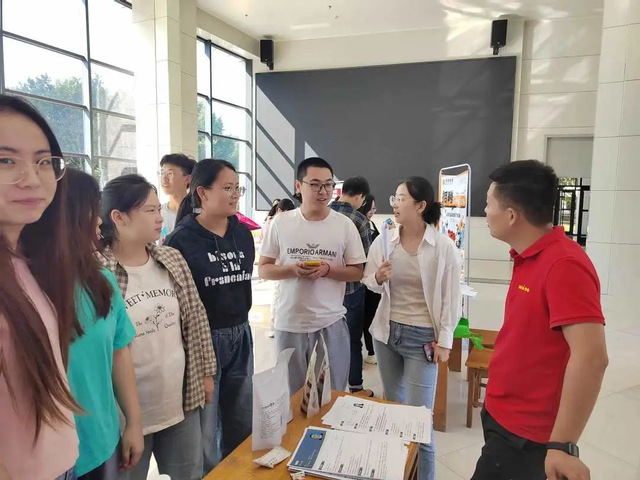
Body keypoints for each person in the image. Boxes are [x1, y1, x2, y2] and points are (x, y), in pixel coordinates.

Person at [471, 160, 608, 480]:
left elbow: (591, 357)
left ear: (511, 215)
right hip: (502, 414)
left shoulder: (564, 264)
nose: (485, 212)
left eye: (488, 204)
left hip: (526, 436)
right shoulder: (529, 255)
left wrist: (562, 445)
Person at [99, 174, 217, 480]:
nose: (159, 217)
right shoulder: (97, 271)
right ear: (118, 217)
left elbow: (196, 317)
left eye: (158, 208)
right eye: (149, 210)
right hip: (123, 415)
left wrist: (206, 373)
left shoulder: (170, 258)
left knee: (189, 474)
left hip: (178, 401)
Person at [0, 95, 79, 479]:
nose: (31, 178)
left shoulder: (29, 260)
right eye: (5, 161)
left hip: (59, 464)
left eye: (43, 161)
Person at [362, 176, 461, 480]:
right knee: (394, 413)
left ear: (420, 206)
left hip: (423, 339)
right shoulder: (385, 241)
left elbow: (451, 299)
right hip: (386, 334)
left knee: (419, 422)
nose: (395, 203)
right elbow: (368, 280)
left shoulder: (442, 247)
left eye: (401, 198)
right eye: (394, 197)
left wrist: (445, 342)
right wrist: (378, 278)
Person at [166, 159, 256, 473]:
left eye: (238, 188)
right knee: (205, 427)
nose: (235, 195)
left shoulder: (242, 234)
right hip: (204, 339)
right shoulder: (181, 240)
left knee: (241, 416)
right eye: (227, 188)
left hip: (241, 333)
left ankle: (239, 473)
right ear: (202, 193)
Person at [259, 157, 366, 394]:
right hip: (290, 323)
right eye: (315, 184)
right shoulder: (281, 223)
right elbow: (264, 268)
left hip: (330, 321)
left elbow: (357, 272)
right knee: (292, 396)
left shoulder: (344, 225)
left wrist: (328, 270)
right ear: (299, 186)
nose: (323, 191)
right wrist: (292, 270)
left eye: (328, 185)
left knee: (330, 395)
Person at [64, 169, 144, 479]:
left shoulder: (102, 282)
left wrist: (134, 422)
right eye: (89, 210)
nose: (99, 221)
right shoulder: (22, 289)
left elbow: (119, 351)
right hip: (45, 456)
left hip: (101, 440)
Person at [329, 176, 373, 396]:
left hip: (325, 289)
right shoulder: (359, 220)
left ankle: (326, 389)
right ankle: (355, 387)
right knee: (353, 340)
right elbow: (367, 260)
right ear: (360, 197)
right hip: (352, 290)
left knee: (325, 339)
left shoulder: (323, 214)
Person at [266, 198, 296, 338]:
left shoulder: (286, 224)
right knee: (277, 298)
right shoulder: (272, 223)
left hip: (284, 266)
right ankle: (274, 327)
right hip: (277, 267)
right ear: (279, 210)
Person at [358, 193, 380, 365]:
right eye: (371, 208)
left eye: (375, 208)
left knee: (371, 316)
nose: (373, 211)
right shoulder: (360, 225)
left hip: (373, 279)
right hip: (361, 279)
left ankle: (372, 351)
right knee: (363, 318)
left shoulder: (371, 225)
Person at [159, 153, 196, 242]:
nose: (164, 178)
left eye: (170, 173)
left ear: (187, 179)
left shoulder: (197, 213)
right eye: (162, 173)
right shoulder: (158, 212)